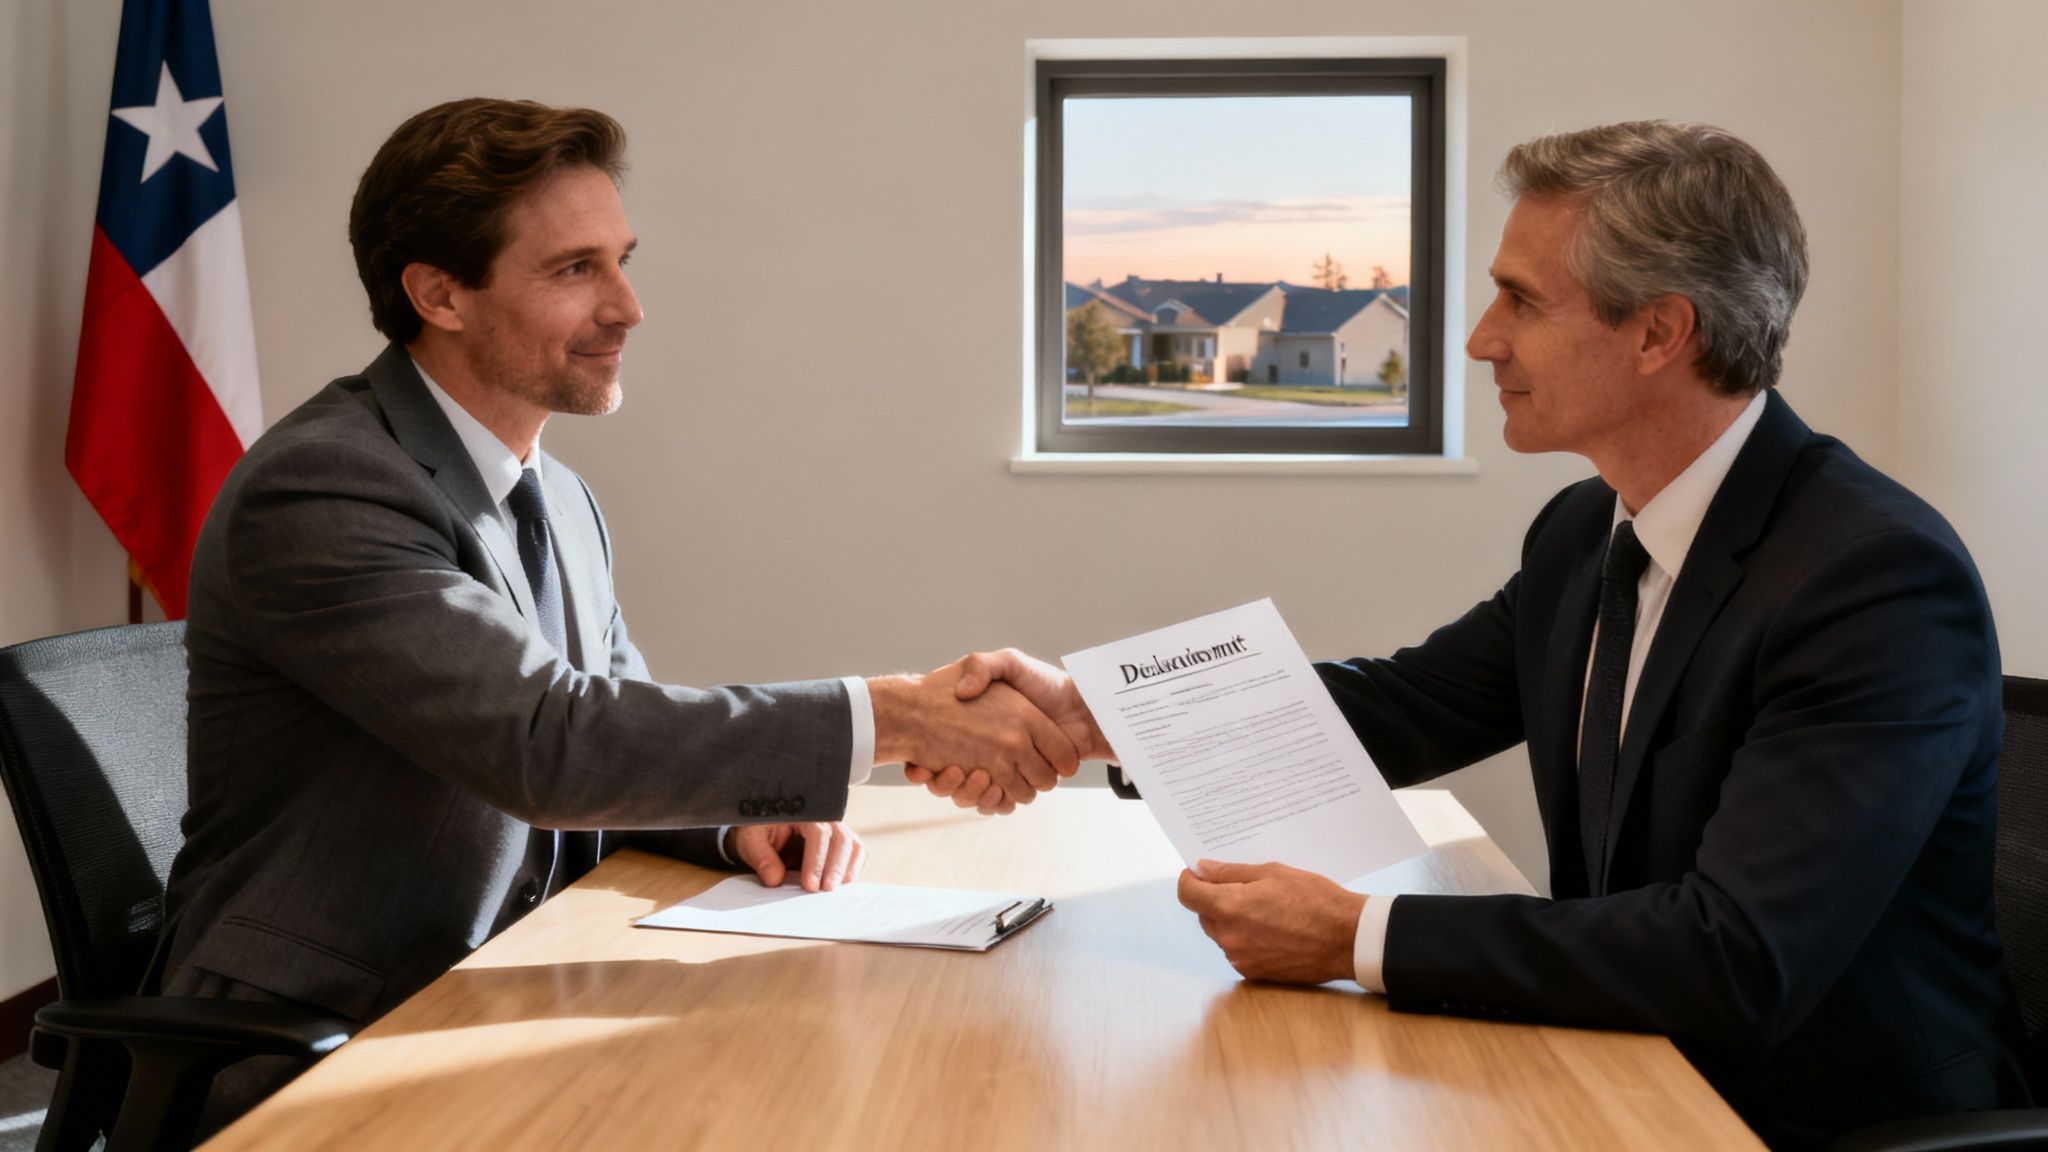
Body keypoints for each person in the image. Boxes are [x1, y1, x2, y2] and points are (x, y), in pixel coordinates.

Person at [930, 121, 2031, 1148]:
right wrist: (1100, 717)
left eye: (1518, 301)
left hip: (1805, 1120)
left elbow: (1735, 955)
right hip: (1617, 1068)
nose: (1476, 340)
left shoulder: (1870, 578)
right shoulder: (1582, 529)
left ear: (1657, 331)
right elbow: (1406, 706)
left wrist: (1359, 935)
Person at [154, 97, 1069, 1131]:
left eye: (621, 259)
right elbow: (547, 743)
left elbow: (613, 717)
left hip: (512, 982)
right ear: (438, 294)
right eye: (574, 269)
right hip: (334, 1032)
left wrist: (733, 822)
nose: (629, 307)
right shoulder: (325, 488)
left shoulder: (558, 496)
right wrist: (898, 714)